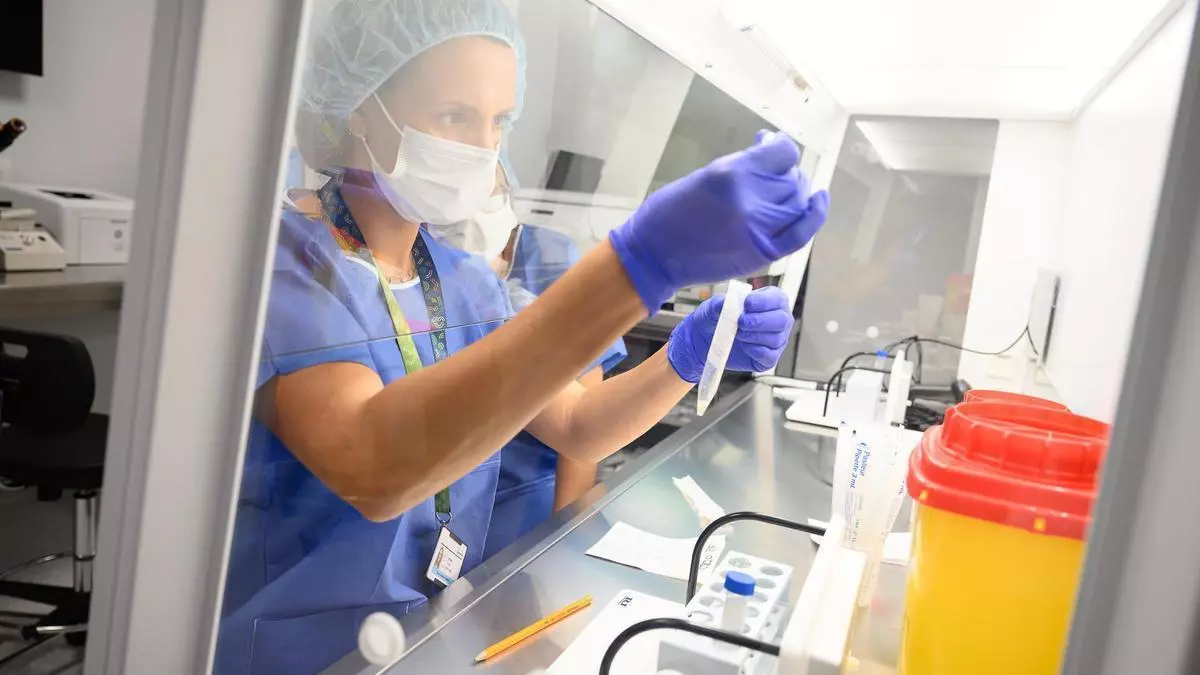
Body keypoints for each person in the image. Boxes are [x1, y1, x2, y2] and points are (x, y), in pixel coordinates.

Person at [215, 0, 830, 672]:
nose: (483, 147)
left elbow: (576, 425)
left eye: (499, 121)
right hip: (296, 656)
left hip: (426, 640)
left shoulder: (462, 279)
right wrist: (638, 266)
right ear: (361, 108)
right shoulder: (288, 266)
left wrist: (686, 357)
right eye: (455, 115)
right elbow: (373, 466)